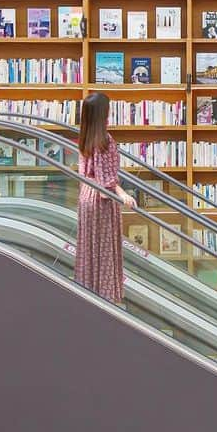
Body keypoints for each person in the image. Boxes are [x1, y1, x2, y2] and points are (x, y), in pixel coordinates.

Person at [75, 91, 135, 304]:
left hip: (86, 196)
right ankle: (107, 297)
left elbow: (87, 173)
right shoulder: (105, 140)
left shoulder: (84, 137)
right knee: (105, 250)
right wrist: (123, 194)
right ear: (103, 115)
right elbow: (106, 179)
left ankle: (87, 293)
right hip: (102, 200)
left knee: (89, 249)